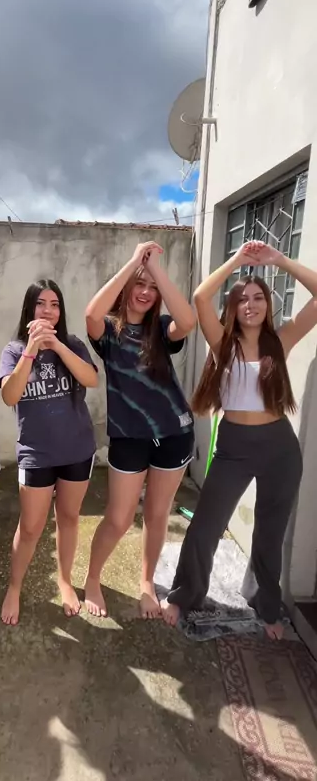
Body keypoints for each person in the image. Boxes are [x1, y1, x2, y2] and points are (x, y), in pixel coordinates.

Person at [161, 240, 317, 639]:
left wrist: (279, 260)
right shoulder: (222, 343)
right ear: (233, 307)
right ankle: (184, 595)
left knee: (270, 530)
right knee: (206, 525)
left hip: (279, 447)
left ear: (268, 304)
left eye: (258, 297)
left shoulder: (280, 341)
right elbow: (201, 296)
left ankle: (266, 605)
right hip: (234, 447)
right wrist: (237, 260)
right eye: (242, 299)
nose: (251, 305)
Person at [84, 241, 196, 619]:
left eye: (152, 287)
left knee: (157, 514)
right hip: (129, 437)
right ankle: (93, 579)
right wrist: (135, 262)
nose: (146, 292)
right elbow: (91, 313)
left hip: (174, 433)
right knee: (119, 518)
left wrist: (156, 271)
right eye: (139, 284)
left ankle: (147, 582)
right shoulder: (108, 332)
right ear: (126, 288)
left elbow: (188, 322)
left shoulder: (162, 329)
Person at [0, 279, 98, 625]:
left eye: (55, 305)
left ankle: (65, 581)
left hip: (77, 450)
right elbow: (10, 396)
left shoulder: (73, 344)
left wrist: (57, 345)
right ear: (30, 308)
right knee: (30, 527)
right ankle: (14, 587)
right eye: (41, 303)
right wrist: (32, 350)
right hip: (36, 454)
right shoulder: (13, 350)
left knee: (69, 518)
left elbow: (91, 379)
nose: (48, 311)